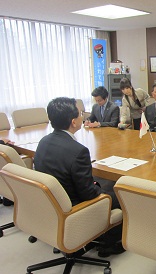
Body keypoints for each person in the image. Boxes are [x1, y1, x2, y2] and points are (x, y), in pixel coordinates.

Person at [34, 97, 124, 257]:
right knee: (118, 192)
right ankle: (109, 243)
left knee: (105, 183)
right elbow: (89, 194)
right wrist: (98, 187)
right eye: (80, 113)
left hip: (51, 202)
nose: (83, 116)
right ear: (74, 122)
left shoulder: (43, 141)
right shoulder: (78, 151)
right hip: (72, 207)